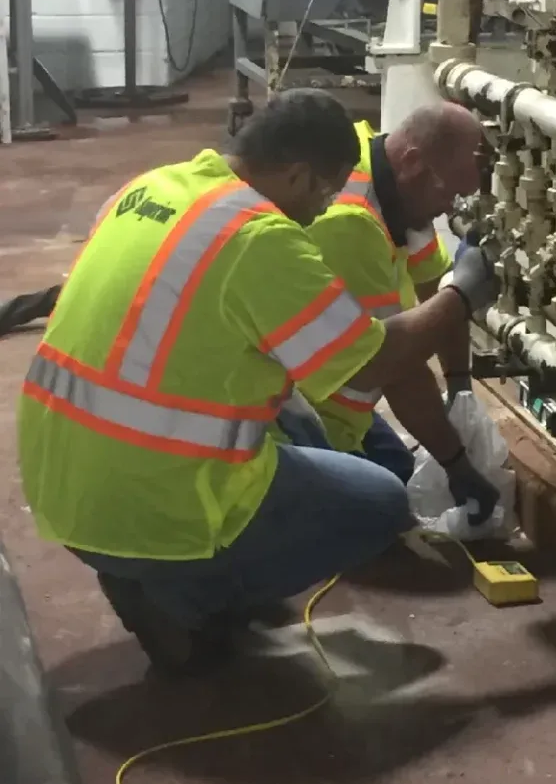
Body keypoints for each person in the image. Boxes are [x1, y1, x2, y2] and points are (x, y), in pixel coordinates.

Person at [17, 89, 500, 676]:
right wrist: (462, 295)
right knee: (380, 503)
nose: (325, 208)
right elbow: (371, 364)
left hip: (60, 484)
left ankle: (155, 570)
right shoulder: (261, 237)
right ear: (296, 174)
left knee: (298, 416)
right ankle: (185, 600)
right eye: (323, 191)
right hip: (151, 506)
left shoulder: (155, 186)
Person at [288, 105, 496, 514]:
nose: (451, 209)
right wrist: (458, 465)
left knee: (401, 466)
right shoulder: (350, 222)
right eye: (449, 193)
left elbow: (438, 291)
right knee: (387, 507)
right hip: (301, 409)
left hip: (338, 390)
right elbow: (394, 366)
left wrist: (460, 385)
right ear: (414, 163)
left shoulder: (393, 179)